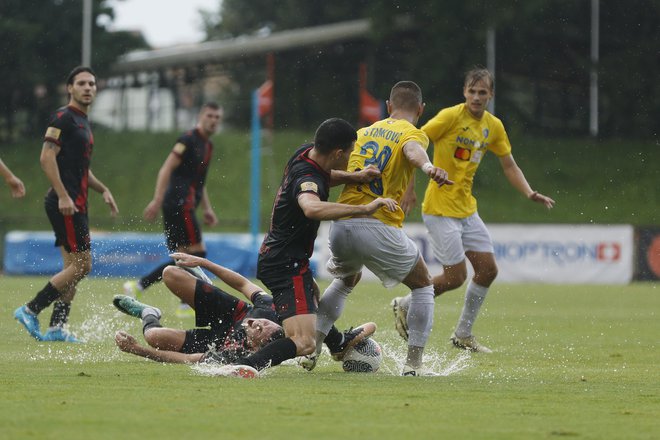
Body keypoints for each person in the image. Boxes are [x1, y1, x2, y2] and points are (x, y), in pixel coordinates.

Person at [214, 118, 396, 378]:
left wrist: (356, 176)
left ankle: (338, 342)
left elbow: (325, 176)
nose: (351, 157)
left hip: (278, 257)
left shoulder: (305, 153)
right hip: (286, 264)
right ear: (337, 152)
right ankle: (247, 365)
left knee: (312, 295)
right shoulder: (308, 178)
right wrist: (364, 209)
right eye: (350, 153)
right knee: (304, 342)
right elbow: (310, 206)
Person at [391, 67, 555, 353]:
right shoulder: (450, 117)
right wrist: (410, 187)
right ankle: (405, 304)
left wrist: (529, 192)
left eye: (482, 92)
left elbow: (509, 164)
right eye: (472, 91)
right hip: (440, 210)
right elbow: (413, 141)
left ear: (491, 94)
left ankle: (463, 334)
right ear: (464, 92)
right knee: (455, 278)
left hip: (467, 209)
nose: (476, 97)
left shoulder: (493, 126)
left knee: (488, 270)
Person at [311, 81, 452, 377]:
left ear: (388, 106)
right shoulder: (413, 133)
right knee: (423, 284)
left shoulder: (361, 133)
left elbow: (338, 173)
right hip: (376, 224)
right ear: (421, 110)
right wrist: (428, 169)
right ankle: (413, 365)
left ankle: (311, 349)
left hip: (341, 224)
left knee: (345, 280)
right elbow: (413, 151)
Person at [13, 66, 119, 342]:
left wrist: (103, 189)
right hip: (66, 204)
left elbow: (82, 169)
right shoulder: (63, 118)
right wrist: (63, 195)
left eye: (92, 84)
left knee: (72, 268)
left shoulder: (83, 122)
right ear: (70, 88)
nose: (88, 87)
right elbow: (46, 158)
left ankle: (57, 327)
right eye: (81, 83)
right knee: (83, 266)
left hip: (76, 203)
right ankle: (30, 309)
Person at [123, 103, 221, 318]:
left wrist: (207, 208)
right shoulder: (187, 139)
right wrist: (157, 200)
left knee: (182, 256)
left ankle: (141, 287)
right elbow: (166, 168)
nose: (214, 120)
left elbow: (200, 182)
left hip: (186, 204)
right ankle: (184, 301)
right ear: (201, 116)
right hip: (178, 203)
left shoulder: (208, 146)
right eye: (210, 115)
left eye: (217, 117)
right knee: (197, 252)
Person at [113, 252, 285, 366]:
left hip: (216, 341)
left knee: (153, 337)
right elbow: (243, 284)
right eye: (264, 322)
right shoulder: (270, 308)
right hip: (232, 312)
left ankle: (148, 313)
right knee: (170, 273)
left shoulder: (236, 357)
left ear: (256, 347)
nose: (255, 321)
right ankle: (204, 284)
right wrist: (203, 262)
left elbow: (188, 359)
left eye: (258, 329)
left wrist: (136, 350)